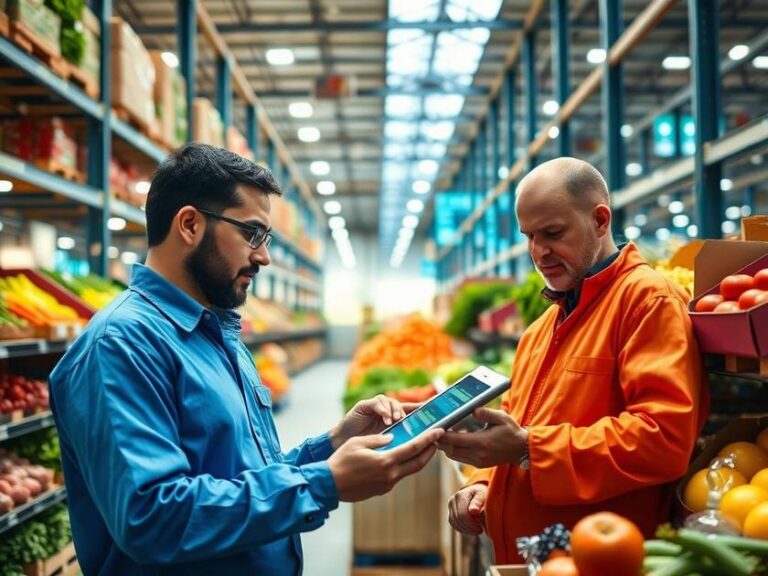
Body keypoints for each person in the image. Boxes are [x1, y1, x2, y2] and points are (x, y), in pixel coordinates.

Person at [49, 143, 443, 575]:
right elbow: (153, 518)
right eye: (252, 234)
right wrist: (324, 483)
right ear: (190, 225)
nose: (264, 256)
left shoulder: (218, 333)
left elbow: (244, 476)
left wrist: (330, 447)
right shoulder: (121, 345)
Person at [440, 157, 708, 563]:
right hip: (531, 560)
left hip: (597, 560)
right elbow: (516, 426)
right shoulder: (540, 329)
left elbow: (662, 439)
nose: (539, 252)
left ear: (600, 221)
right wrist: (482, 483)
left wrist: (529, 448)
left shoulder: (648, 302)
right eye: (529, 236)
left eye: (552, 233)